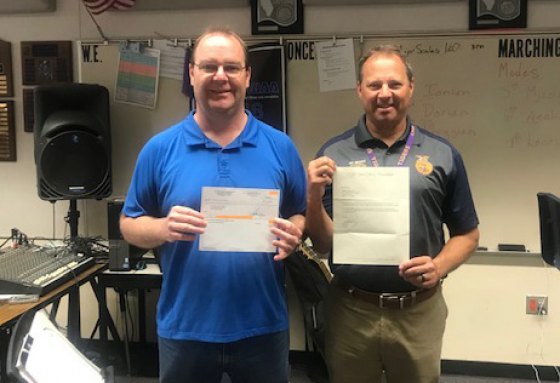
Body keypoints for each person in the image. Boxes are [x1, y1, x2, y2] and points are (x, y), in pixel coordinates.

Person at [119, 27, 306, 383]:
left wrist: (295, 230)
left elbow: (299, 211)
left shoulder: (281, 147)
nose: (221, 76)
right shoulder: (159, 149)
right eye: (209, 67)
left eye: (232, 67)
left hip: (262, 328)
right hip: (185, 328)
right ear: (192, 74)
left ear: (247, 76)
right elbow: (129, 222)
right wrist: (161, 228)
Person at [305, 45, 480, 383]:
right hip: (351, 310)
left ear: (410, 88)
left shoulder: (443, 154)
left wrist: (439, 266)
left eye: (394, 84)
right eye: (374, 85)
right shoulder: (333, 154)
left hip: (418, 311)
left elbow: (468, 234)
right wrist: (313, 196)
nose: (384, 94)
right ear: (359, 90)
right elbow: (325, 245)